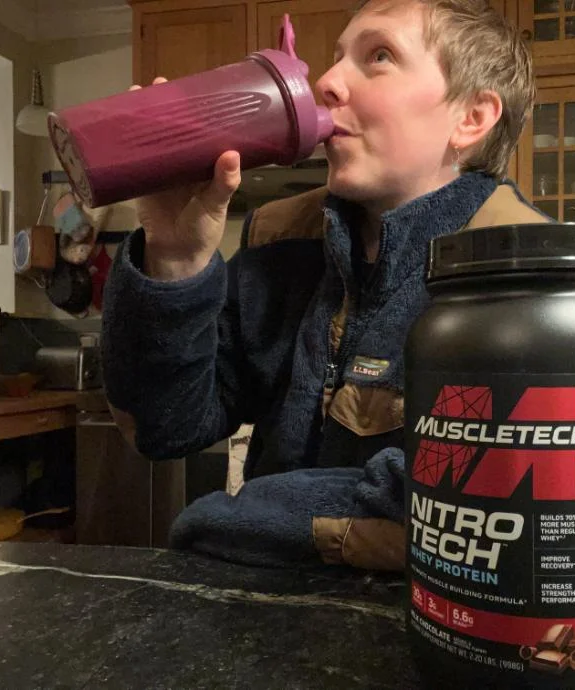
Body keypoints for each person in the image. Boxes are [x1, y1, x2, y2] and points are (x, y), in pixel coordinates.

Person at [102, 0, 549, 569]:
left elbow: (475, 514)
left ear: (471, 117)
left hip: (429, 633)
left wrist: (243, 517)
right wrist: (174, 255)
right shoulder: (281, 239)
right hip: (267, 623)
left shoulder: (529, 281)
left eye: (379, 57)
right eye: (336, 59)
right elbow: (161, 429)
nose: (328, 81)